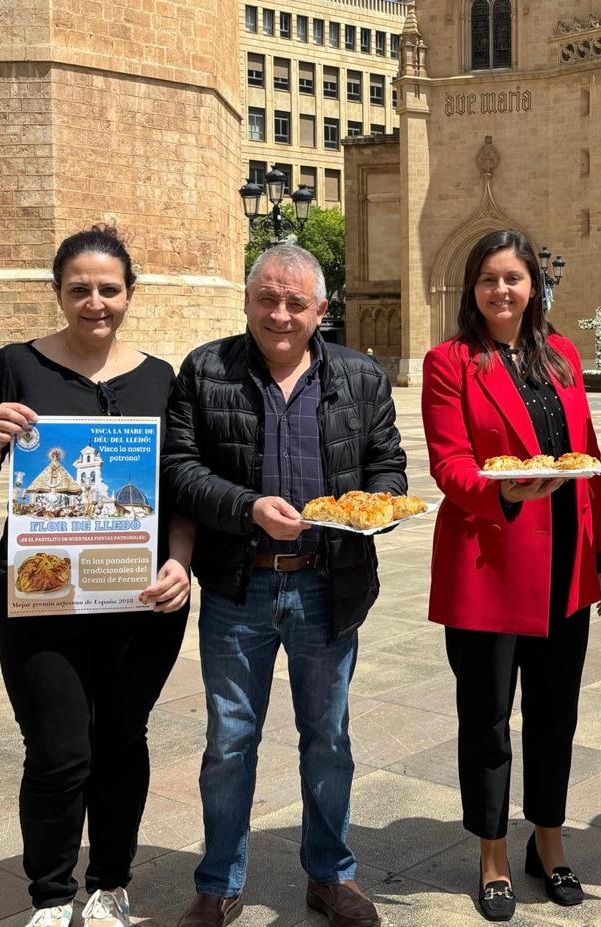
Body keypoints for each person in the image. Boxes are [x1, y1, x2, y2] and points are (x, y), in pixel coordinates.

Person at [0, 226, 194, 927]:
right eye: (79, 289)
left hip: (138, 591)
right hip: (41, 589)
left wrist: (180, 560)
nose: (95, 302)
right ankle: (53, 895)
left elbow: (176, 490)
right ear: (58, 292)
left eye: (108, 289)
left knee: (122, 738)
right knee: (57, 748)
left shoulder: (158, 377)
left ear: (129, 293)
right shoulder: (15, 364)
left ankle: (111, 882)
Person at [164, 243, 405, 927]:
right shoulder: (206, 370)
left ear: (321, 311)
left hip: (328, 587)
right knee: (230, 740)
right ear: (247, 301)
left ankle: (330, 875)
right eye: (267, 298)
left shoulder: (359, 375)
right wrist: (245, 507)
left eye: (296, 302)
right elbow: (179, 469)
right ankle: (219, 882)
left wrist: (370, 510)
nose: (280, 313)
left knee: (328, 737)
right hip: (240, 588)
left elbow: (388, 465)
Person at [421, 229, 601, 922]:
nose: (501, 290)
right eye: (488, 280)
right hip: (491, 560)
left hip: (567, 559)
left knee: (555, 713)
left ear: (534, 284)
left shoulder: (562, 354)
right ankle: (494, 852)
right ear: (472, 290)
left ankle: (551, 842)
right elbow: (448, 463)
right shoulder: (450, 362)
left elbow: (586, 455)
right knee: (487, 719)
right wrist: (503, 491)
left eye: (513, 277)